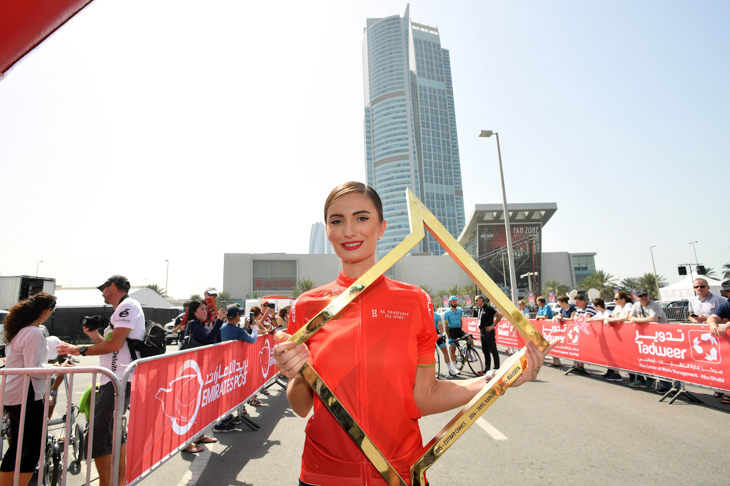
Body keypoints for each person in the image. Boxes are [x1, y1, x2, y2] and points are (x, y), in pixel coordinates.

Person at [272, 181, 557, 485]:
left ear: (382, 227)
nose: (349, 230)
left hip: (400, 473)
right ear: (328, 231)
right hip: (323, 475)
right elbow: (302, 407)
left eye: (362, 218)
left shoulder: (413, 301)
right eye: (337, 221)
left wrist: (498, 380)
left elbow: (423, 396)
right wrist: (298, 374)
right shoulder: (307, 306)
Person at [57, 275, 145, 486]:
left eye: (103, 289)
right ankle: (117, 482)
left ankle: (108, 483)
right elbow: (110, 348)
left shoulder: (129, 305)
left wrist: (79, 350)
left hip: (121, 380)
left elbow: (114, 345)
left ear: (111, 287)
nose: (102, 293)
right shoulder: (120, 311)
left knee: (99, 436)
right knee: (113, 433)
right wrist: (94, 336)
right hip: (113, 380)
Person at [0, 293, 56, 486]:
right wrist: (58, 368)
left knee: (17, 446)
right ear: (48, 311)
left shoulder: (19, 330)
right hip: (27, 394)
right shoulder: (33, 332)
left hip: (14, 394)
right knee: (33, 447)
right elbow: (34, 369)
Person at [628, 289, 671, 392]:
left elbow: (653, 319)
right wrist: (636, 320)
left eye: (645, 295)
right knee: (644, 359)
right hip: (646, 337)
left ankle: (668, 385)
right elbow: (630, 317)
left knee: (662, 361)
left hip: (661, 336)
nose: (644, 297)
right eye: (641, 296)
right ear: (637, 298)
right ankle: (646, 379)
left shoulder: (654, 305)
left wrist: (637, 320)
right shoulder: (636, 305)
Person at [706, 280, 730, 404]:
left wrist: (728, 324)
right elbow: (712, 317)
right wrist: (712, 324)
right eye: (728, 291)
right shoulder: (727, 304)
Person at [474, 295, 501, 373]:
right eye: (475, 301)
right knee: (485, 351)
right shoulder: (480, 309)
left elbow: (499, 316)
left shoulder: (488, 308)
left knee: (493, 350)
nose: (475, 302)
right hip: (482, 332)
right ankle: (487, 368)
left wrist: (493, 325)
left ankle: (496, 368)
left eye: (476, 300)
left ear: (481, 300)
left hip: (488, 332)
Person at [548, 296, 576, 368]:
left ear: (563, 302)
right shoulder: (562, 309)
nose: (558, 304)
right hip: (563, 330)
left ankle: (577, 365)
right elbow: (559, 315)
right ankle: (556, 361)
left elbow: (572, 319)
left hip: (571, 330)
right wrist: (555, 317)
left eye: (559, 302)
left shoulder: (572, 309)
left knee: (573, 347)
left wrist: (562, 318)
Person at [444, 295, 472, 364]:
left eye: (456, 301)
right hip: (452, 331)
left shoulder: (460, 311)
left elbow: (461, 321)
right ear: (450, 303)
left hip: (459, 330)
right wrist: (449, 337)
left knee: (470, 339)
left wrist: (461, 329)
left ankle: (469, 354)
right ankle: (455, 366)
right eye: (453, 302)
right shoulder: (447, 313)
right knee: (453, 348)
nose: (455, 303)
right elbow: (446, 325)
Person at [432, 303, 456, 376]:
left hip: (436, 333)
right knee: (430, 353)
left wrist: (440, 335)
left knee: (444, 349)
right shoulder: (423, 315)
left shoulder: (436, 315)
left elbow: (441, 327)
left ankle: (450, 369)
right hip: (428, 335)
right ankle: (431, 371)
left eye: (432, 306)